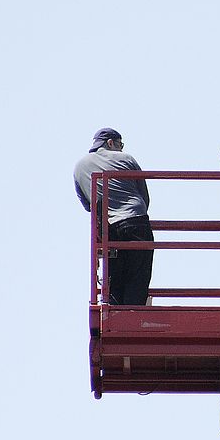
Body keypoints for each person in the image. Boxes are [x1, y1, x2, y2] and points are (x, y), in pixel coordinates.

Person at [73, 128, 154, 306]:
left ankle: (115, 313)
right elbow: (144, 197)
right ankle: (134, 314)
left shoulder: (79, 168)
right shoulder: (126, 159)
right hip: (135, 221)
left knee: (114, 277)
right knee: (138, 275)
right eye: (120, 144)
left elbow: (88, 206)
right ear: (110, 143)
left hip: (108, 230)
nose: (121, 149)